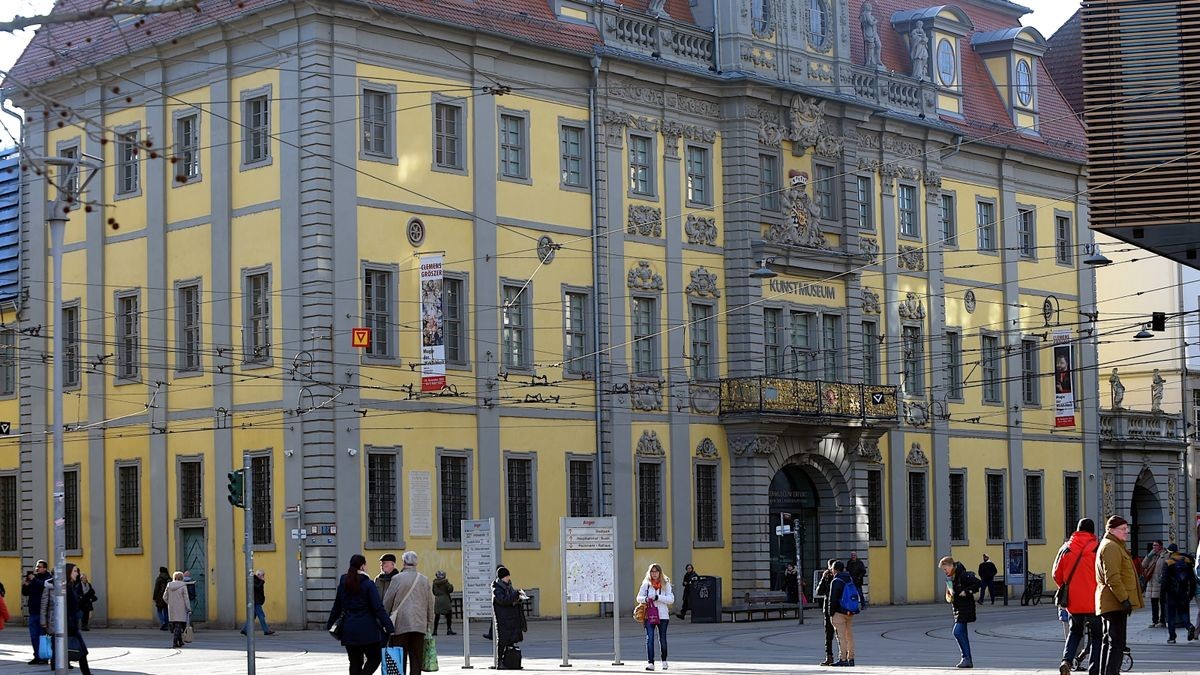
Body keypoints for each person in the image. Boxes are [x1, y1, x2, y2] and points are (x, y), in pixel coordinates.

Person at [327, 553, 395, 675]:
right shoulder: (368, 584)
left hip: (348, 629)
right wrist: (389, 626)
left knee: (354, 663)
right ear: (362, 566)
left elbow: (337, 607)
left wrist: (330, 624)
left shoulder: (343, 583)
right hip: (367, 630)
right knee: (375, 658)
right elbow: (378, 608)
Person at [1053, 518, 1101, 675]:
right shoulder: (1097, 548)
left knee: (1075, 632)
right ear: (1092, 531)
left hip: (1073, 601)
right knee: (1096, 635)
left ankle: (1066, 661)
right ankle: (1094, 669)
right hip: (1095, 601)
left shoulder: (1066, 548)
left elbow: (1056, 574)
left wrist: (1066, 586)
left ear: (1077, 529)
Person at [1096, 515, 1143, 675]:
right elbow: (1113, 577)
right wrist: (1124, 599)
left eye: (1126, 529)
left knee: (1109, 642)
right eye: (1123, 529)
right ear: (1111, 530)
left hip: (1112, 602)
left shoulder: (1114, 545)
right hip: (1114, 602)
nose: (1126, 532)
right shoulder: (1111, 547)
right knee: (1116, 643)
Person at [382, 551, 435, 675]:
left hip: (401, 625)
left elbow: (387, 602)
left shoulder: (397, 578)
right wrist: (429, 625)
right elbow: (430, 605)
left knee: (399, 658)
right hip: (419, 626)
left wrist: (385, 621)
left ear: (404, 562)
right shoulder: (424, 580)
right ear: (416, 563)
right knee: (416, 659)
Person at [939, 555, 981, 669]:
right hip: (957, 608)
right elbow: (951, 593)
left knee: (957, 632)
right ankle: (967, 659)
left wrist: (967, 591)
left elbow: (978, 583)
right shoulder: (950, 577)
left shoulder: (962, 575)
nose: (944, 571)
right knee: (963, 634)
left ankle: (965, 658)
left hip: (965, 608)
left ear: (950, 565)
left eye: (945, 568)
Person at [635, 563, 674, 671]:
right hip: (649, 615)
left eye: (656, 571)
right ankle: (651, 662)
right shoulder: (646, 584)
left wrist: (658, 597)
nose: (654, 574)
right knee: (649, 638)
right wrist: (646, 599)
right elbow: (639, 598)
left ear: (660, 572)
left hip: (662, 616)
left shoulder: (665, 584)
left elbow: (671, 599)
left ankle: (664, 660)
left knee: (662, 638)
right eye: (652, 571)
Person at [1159, 543, 1196, 643]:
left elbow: (1164, 581)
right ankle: (1189, 626)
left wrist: (1162, 596)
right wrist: (1191, 593)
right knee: (1183, 612)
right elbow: (1192, 579)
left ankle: (1172, 637)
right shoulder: (1187, 561)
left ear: (1170, 552)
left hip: (1171, 593)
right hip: (1183, 592)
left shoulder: (1168, 562)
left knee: (1171, 615)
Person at [493, 566, 527, 668]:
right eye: (507, 576)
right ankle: (499, 662)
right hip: (503, 619)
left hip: (511, 618)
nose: (508, 578)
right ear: (502, 577)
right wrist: (515, 595)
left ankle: (510, 662)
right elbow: (504, 600)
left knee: (511, 640)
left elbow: (511, 599)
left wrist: (519, 598)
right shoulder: (496, 588)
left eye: (508, 576)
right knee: (502, 640)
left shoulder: (508, 586)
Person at [826, 560, 857, 667]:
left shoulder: (836, 581)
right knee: (849, 636)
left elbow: (832, 599)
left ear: (834, 569)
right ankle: (851, 658)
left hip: (839, 612)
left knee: (841, 637)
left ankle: (842, 658)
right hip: (850, 611)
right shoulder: (849, 578)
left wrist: (831, 613)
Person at [23, 560, 52, 664]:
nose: (37, 568)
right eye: (36, 567)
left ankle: (44, 657)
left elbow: (44, 586)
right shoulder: (34, 578)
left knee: (42, 636)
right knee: (34, 636)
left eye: (39, 567)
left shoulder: (48, 578)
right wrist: (26, 585)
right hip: (33, 611)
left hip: (43, 613)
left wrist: (34, 579)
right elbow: (25, 593)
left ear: (45, 568)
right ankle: (37, 656)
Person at [816, 559, 838, 667]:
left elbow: (818, 591)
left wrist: (823, 579)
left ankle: (829, 657)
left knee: (828, 635)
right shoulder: (842, 576)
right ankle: (845, 656)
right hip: (840, 609)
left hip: (828, 608)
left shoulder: (827, 577)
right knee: (842, 634)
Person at [242, 570, 276, 635]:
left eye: (264, 575)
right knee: (261, 616)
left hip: (256, 601)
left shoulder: (257, 580)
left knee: (252, 617)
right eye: (262, 575)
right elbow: (257, 587)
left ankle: (245, 629)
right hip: (255, 601)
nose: (263, 577)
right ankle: (266, 630)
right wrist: (262, 581)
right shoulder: (253, 580)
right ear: (258, 575)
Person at [1141, 540, 1166, 627]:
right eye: (1153, 546)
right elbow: (1143, 565)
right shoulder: (1152, 556)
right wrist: (1149, 556)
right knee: (1154, 602)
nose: (1154, 547)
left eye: (1156, 545)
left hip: (1159, 582)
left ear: (1161, 546)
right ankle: (1154, 621)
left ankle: (1162, 620)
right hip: (1151, 583)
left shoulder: (1164, 556)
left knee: (1162, 603)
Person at [163, 571, 191, 648]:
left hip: (172, 607)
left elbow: (164, 597)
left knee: (175, 625)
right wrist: (188, 608)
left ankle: (180, 641)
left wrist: (169, 603)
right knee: (180, 625)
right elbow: (186, 598)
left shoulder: (169, 585)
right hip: (181, 608)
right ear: (182, 578)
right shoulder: (183, 586)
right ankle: (175, 641)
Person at [431, 570, 455, 636]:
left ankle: (435, 631)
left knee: (437, 616)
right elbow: (450, 589)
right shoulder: (445, 582)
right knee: (448, 616)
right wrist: (451, 585)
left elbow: (433, 591)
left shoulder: (434, 583)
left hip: (438, 600)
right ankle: (449, 630)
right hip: (445, 600)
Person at [153, 566, 171, 630]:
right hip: (167, 597)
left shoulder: (159, 579)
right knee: (166, 611)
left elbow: (156, 589)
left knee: (159, 610)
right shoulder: (169, 578)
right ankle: (166, 623)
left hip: (160, 597)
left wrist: (154, 597)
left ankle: (163, 622)